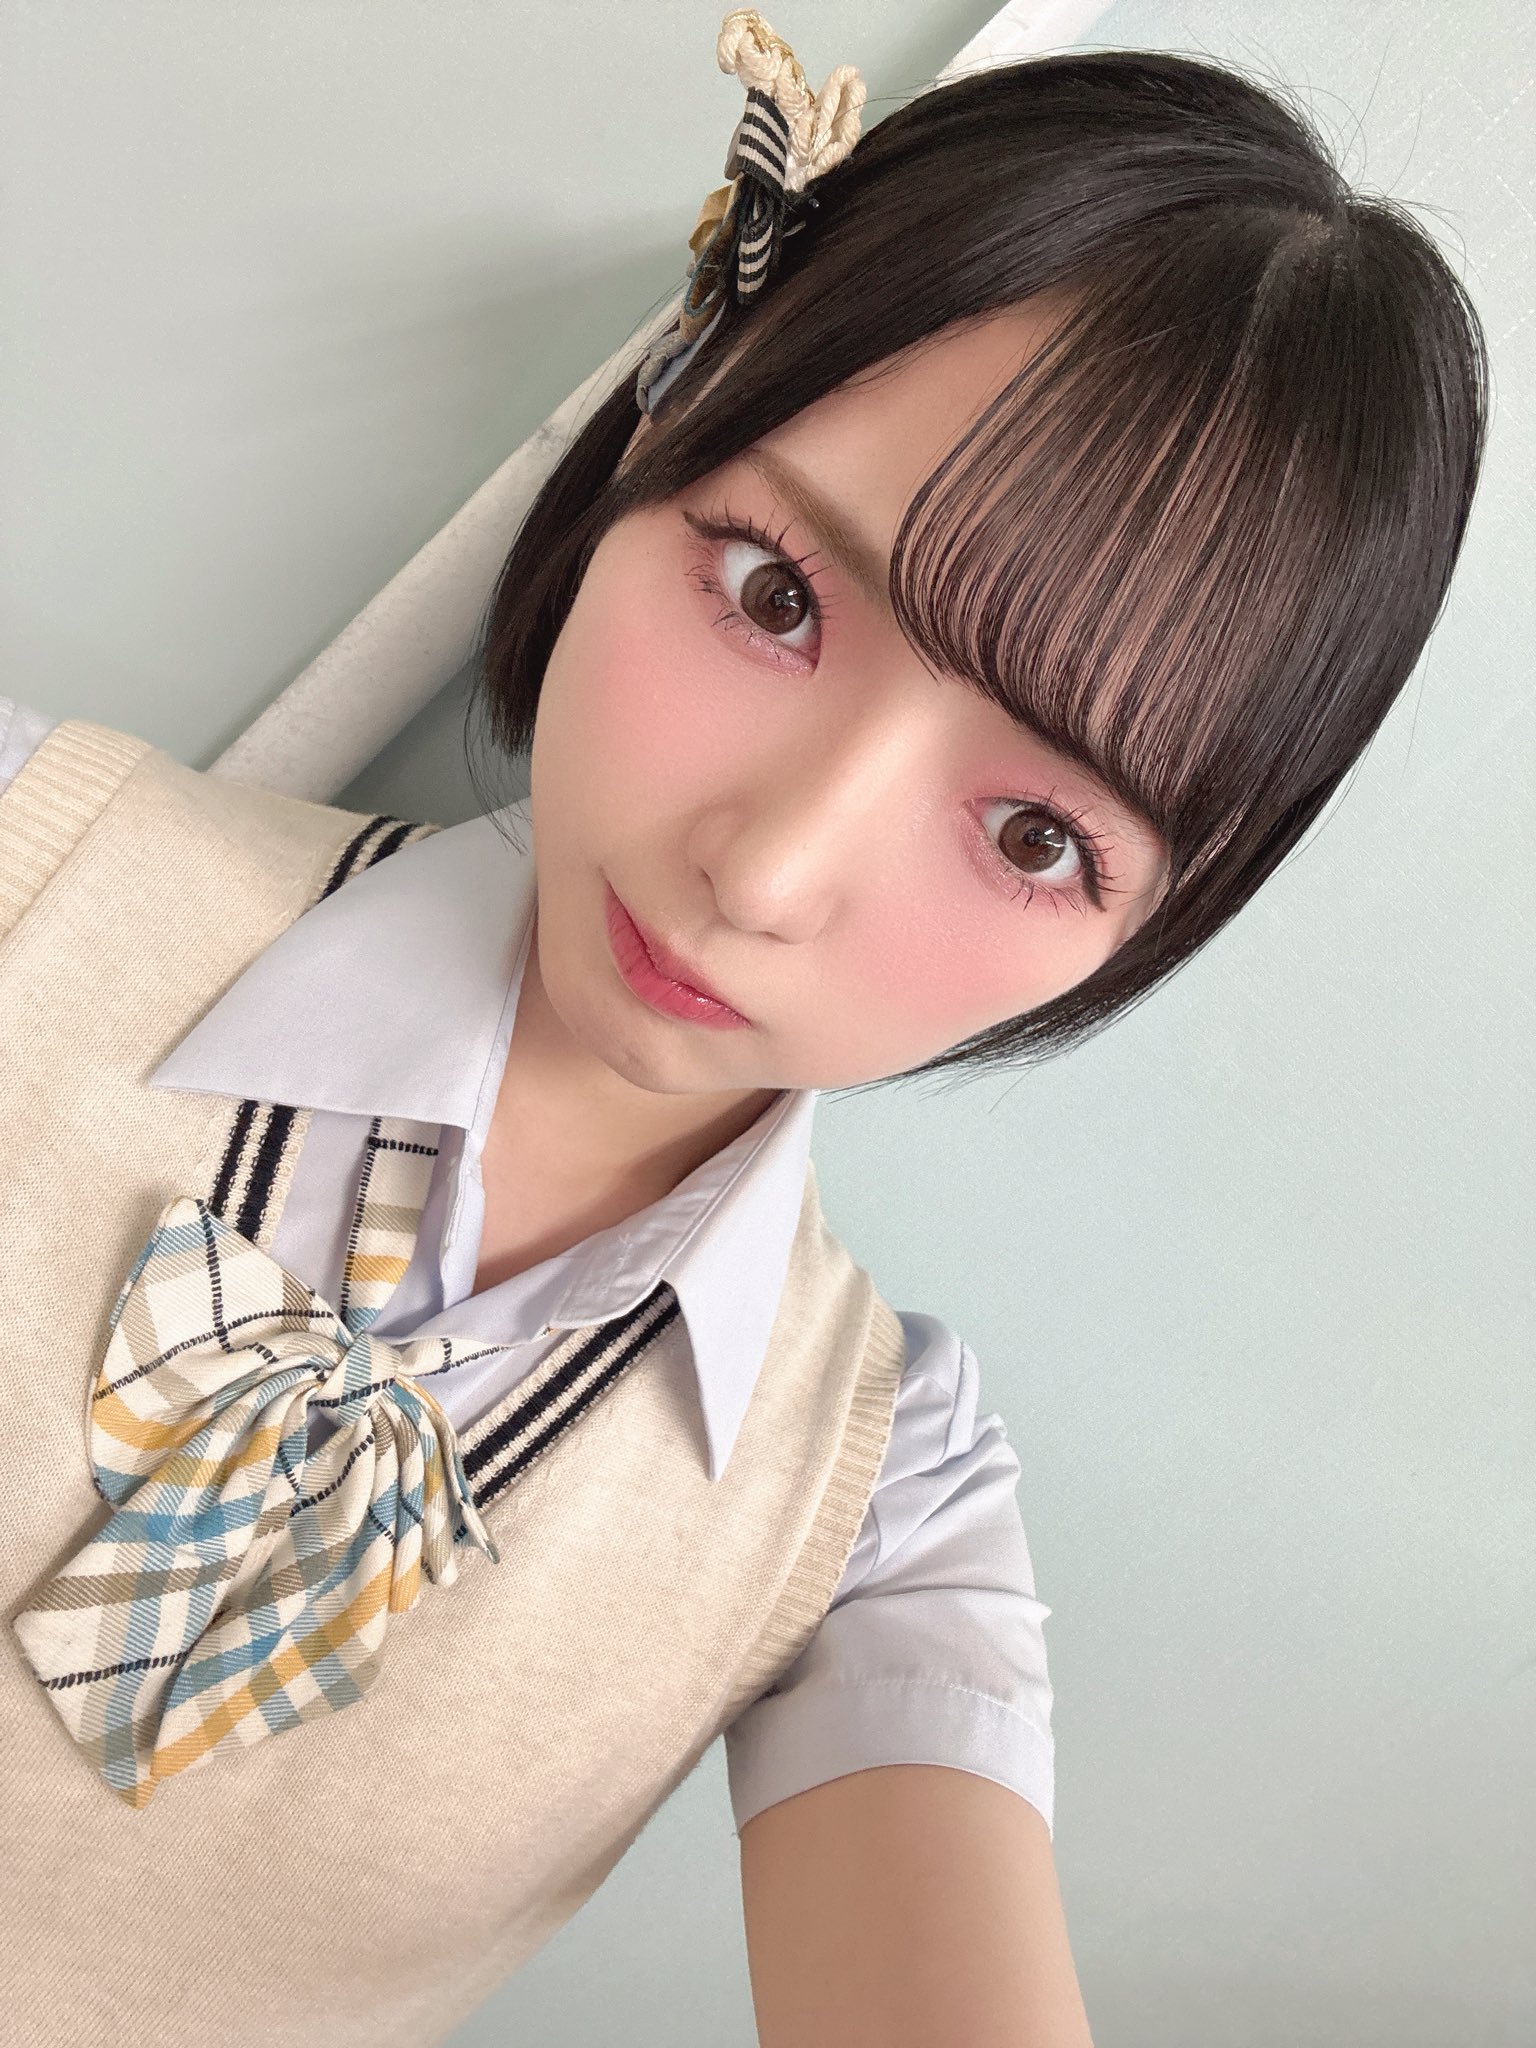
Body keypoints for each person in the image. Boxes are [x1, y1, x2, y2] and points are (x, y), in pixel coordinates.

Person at [0, 14, 1486, 2047]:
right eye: (777, 593)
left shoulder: (873, 1504)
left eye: (1036, 834)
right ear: (657, 439)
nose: (770, 872)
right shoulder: (29, 859)